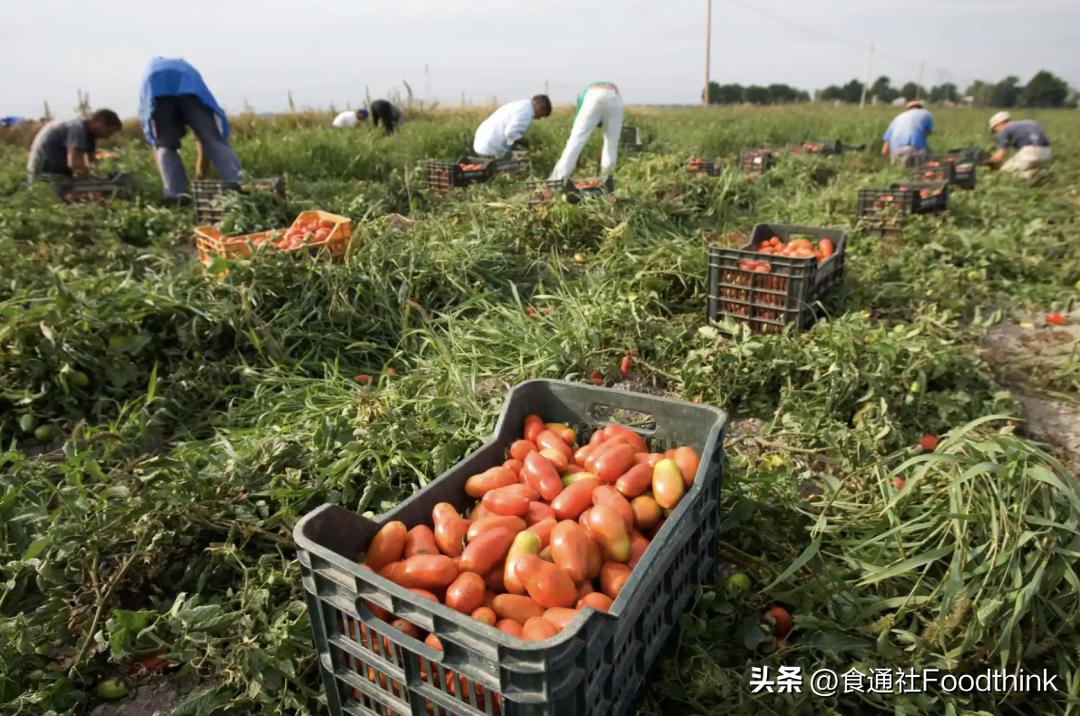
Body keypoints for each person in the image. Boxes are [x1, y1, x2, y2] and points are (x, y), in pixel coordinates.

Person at [139, 57, 242, 200]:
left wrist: (198, 176)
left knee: (165, 145)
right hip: (186, 81)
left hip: (156, 85)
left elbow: (157, 145)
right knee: (213, 139)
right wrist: (200, 176)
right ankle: (237, 185)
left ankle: (176, 196)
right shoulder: (182, 68)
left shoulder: (154, 70)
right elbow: (206, 142)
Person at [550, 82, 624, 181]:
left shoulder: (583, 96)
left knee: (575, 140)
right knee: (611, 144)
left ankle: (559, 178)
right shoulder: (601, 89)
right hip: (615, 97)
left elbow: (578, 122)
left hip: (595, 95)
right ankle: (608, 179)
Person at [26, 109, 123, 181]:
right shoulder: (76, 128)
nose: (107, 137)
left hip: (59, 175)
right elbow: (75, 164)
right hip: (43, 177)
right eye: (108, 132)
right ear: (98, 121)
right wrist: (94, 181)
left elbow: (90, 160)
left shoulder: (90, 135)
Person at [473, 95, 552, 157]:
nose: (539, 118)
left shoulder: (521, 104)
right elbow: (511, 133)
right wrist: (525, 143)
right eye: (541, 115)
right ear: (539, 107)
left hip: (482, 142)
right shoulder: (526, 112)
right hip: (491, 147)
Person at [986, 111, 1051, 180]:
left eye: (995, 130)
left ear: (999, 124)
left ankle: (1026, 175)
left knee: (1004, 173)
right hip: (1046, 153)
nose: (997, 133)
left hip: (1028, 152)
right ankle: (1041, 174)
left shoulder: (1005, 130)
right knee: (1031, 169)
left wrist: (987, 163)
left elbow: (998, 157)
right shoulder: (1032, 123)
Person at [881, 100, 934, 165]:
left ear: (908, 109)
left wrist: (892, 158)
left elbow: (884, 151)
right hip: (913, 151)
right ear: (921, 108)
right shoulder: (927, 114)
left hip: (895, 153)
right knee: (931, 154)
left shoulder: (897, 118)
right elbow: (925, 135)